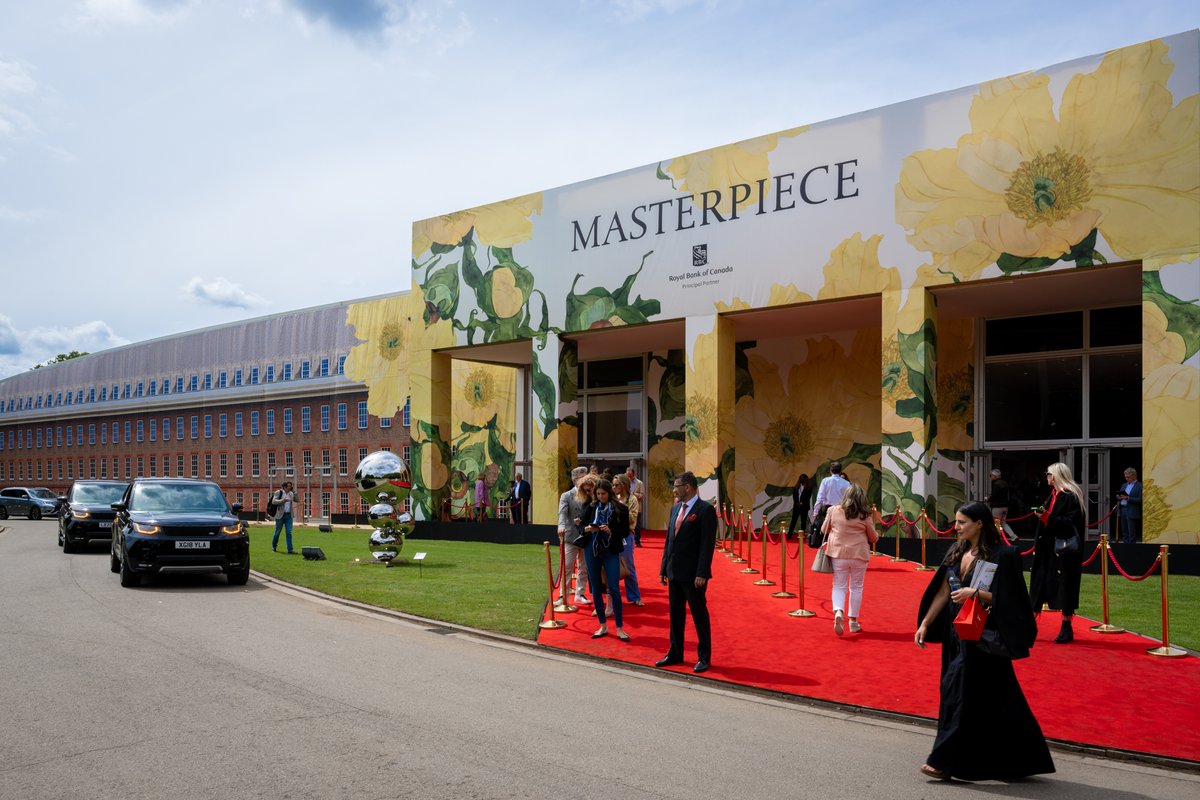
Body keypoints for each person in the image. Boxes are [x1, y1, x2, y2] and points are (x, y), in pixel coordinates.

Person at [914, 501, 1053, 782]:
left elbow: (1014, 599)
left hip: (983, 634)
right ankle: (1023, 759)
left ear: (980, 523)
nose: (956, 527)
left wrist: (974, 593)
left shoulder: (1004, 555)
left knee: (960, 693)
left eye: (962, 522)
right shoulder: (957, 551)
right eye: (956, 522)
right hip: (957, 633)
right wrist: (925, 623)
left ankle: (942, 761)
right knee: (997, 697)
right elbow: (943, 592)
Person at [656, 471, 717, 673]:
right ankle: (675, 652)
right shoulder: (675, 508)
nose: (674, 490)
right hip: (674, 572)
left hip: (693, 575)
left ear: (688, 487)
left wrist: (702, 573)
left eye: (676, 486)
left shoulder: (705, 510)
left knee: (699, 615)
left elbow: (706, 545)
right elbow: (669, 541)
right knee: (676, 615)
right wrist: (663, 568)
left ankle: (704, 657)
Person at [1029, 462, 1086, 644]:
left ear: (1055, 476)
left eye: (1049, 474)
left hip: (1064, 550)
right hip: (1047, 547)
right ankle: (1030, 625)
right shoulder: (1053, 495)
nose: (1047, 477)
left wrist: (1046, 516)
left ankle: (1066, 626)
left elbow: (1070, 523)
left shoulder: (1070, 496)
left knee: (1066, 585)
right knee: (1039, 582)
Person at [821, 483, 878, 635]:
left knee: (839, 585)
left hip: (838, 553)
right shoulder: (865, 514)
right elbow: (873, 538)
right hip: (859, 554)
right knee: (856, 587)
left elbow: (823, 530)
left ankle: (839, 611)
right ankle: (853, 621)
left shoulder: (833, 510)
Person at [577, 479, 630, 642]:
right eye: (598, 494)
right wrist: (587, 528)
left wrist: (610, 530)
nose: (601, 496)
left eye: (603, 494)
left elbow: (626, 531)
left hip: (610, 552)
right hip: (591, 551)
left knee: (614, 588)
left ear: (609, 492)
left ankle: (619, 628)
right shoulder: (590, 506)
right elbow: (580, 525)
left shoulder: (620, 508)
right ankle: (603, 626)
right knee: (596, 589)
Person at [557, 468, 592, 606]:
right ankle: (563, 595)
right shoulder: (566, 496)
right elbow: (562, 513)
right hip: (571, 536)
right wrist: (561, 526)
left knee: (584, 567)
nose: (585, 481)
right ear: (574, 480)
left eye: (586, 477)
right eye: (581, 478)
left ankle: (580, 593)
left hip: (587, 536)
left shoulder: (590, 494)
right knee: (567, 566)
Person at [613, 474, 643, 606]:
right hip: (612, 535)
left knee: (628, 565)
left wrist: (619, 508)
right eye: (613, 485)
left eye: (616, 485)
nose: (614, 487)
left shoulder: (632, 499)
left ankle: (634, 596)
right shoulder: (613, 498)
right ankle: (612, 597)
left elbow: (632, 519)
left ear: (624, 485)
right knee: (610, 566)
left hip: (626, 535)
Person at [811, 461, 850, 531]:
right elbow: (848, 499)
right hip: (841, 510)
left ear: (830, 470)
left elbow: (820, 498)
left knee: (827, 531)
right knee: (839, 530)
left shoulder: (825, 481)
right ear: (840, 471)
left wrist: (815, 512)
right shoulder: (846, 483)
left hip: (828, 509)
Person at [1117, 468, 1142, 544]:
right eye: (1125, 477)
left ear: (1134, 476)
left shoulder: (1139, 486)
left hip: (1132, 510)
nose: (1126, 478)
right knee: (1124, 532)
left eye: (1128, 477)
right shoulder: (1124, 485)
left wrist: (1128, 498)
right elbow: (1119, 495)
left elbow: (1140, 499)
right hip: (1123, 510)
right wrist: (1118, 497)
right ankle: (1125, 547)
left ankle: (1132, 548)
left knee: (1131, 532)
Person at [271, 481, 297, 554]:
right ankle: (274, 547)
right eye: (288, 486)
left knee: (289, 532)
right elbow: (273, 501)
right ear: (284, 487)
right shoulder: (279, 492)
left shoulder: (291, 493)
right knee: (277, 532)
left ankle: (290, 550)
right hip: (280, 515)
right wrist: (283, 501)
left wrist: (295, 492)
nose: (290, 487)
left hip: (289, 515)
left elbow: (297, 500)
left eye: (291, 486)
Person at [625, 466, 646, 546]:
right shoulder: (623, 483)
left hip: (636, 507)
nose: (629, 477)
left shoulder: (640, 483)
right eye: (627, 475)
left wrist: (633, 494)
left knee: (637, 525)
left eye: (630, 475)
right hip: (625, 506)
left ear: (634, 475)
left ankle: (637, 541)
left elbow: (642, 496)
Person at [787, 473, 812, 538]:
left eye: (803, 479)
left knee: (803, 522)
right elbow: (794, 496)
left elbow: (808, 497)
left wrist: (802, 503)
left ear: (806, 480)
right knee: (793, 521)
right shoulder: (796, 487)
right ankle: (789, 534)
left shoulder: (809, 488)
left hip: (804, 507)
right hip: (797, 506)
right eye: (801, 478)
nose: (802, 480)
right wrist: (797, 502)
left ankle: (802, 535)